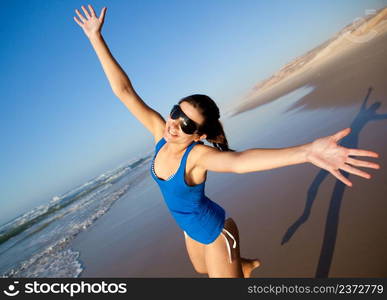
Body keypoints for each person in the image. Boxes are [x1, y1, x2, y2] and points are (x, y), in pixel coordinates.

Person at [73, 5, 380, 278]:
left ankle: (235, 254)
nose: (176, 125)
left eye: (187, 124)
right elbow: (125, 91)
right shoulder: (159, 134)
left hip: (215, 232)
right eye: (176, 112)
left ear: (200, 135)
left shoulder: (197, 156)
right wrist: (95, 38)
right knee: (200, 269)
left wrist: (307, 152)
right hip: (190, 229)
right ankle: (244, 266)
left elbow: (240, 163)